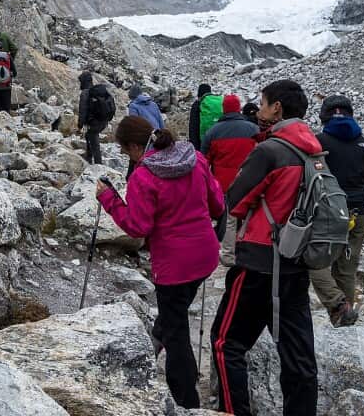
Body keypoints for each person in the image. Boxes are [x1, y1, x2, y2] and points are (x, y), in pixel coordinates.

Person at [96, 117, 224, 409]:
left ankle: (186, 398)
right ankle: (153, 345)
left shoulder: (144, 176)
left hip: (173, 266)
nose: (129, 159)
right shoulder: (196, 158)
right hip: (205, 256)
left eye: (127, 153)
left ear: (134, 146)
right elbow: (217, 205)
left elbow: (137, 227)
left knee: (176, 329)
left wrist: (109, 199)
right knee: (173, 316)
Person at [210, 79, 319, 416]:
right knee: (299, 357)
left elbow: (235, 201)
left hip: (258, 264)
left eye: (263, 102)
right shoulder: (314, 151)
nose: (258, 109)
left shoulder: (270, 151)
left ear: (278, 109)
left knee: (226, 343)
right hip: (296, 264)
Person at [310, 95, 364, 327]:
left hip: (329, 212)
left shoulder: (318, 142)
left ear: (324, 116)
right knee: (347, 268)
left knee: (314, 261)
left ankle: (336, 303)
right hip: (359, 212)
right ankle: (345, 317)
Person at [201, 94, 261, 265]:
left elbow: (204, 161)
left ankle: (228, 255)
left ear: (224, 110)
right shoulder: (253, 129)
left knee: (230, 219)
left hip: (225, 183)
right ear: (238, 108)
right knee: (250, 217)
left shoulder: (213, 131)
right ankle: (249, 252)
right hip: (249, 180)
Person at [78, 72, 114, 165]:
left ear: (83, 81)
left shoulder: (86, 93)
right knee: (89, 135)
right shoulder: (99, 91)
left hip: (95, 122)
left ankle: (99, 164)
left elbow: (82, 110)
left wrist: (80, 125)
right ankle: (89, 159)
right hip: (103, 120)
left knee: (93, 140)